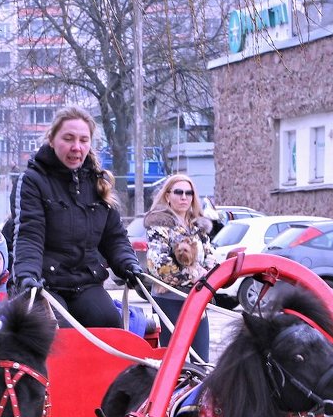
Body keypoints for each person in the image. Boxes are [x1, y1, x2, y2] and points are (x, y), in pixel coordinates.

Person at [12, 106, 141, 327]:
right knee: (55, 332)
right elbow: (29, 235)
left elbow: (114, 237)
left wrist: (129, 265)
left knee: (110, 325)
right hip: (45, 282)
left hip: (86, 282)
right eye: (68, 139)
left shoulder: (98, 183)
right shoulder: (33, 180)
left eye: (83, 140)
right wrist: (26, 276)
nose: (76, 147)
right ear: (52, 140)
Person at [143, 173, 216, 359]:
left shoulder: (199, 226)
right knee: (174, 360)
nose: (184, 197)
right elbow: (159, 266)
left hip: (197, 299)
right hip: (168, 300)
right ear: (168, 196)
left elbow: (211, 259)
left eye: (189, 193)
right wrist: (196, 276)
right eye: (179, 192)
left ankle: (197, 390)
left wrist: (207, 275)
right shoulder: (158, 224)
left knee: (201, 359)